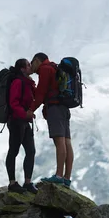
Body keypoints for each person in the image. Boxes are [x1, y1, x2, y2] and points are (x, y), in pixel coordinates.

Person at [28, 52, 74, 187]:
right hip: (64, 108)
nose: (32, 68)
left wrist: (31, 109)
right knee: (67, 142)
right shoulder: (54, 68)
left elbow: (41, 93)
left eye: (32, 64)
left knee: (59, 142)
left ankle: (58, 176)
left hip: (55, 108)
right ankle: (66, 178)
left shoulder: (45, 69)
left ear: (36, 61)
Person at [5, 58, 38, 194]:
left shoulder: (28, 83)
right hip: (17, 120)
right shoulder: (18, 82)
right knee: (14, 150)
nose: (31, 67)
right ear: (22, 69)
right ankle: (12, 183)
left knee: (30, 151)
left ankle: (27, 182)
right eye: (28, 65)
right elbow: (14, 103)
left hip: (24, 121)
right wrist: (26, 114)